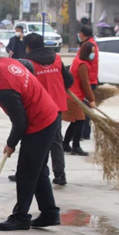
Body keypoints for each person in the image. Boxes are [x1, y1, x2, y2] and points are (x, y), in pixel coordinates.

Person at [0, 57, 60, 231]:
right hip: (49, 114)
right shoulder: (4, 62)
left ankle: (21, 217)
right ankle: (49, 213)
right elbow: (27, 65)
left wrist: (11, 144)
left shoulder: (5, 91)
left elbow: (20, 123)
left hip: (40, 123)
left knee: (25, 172)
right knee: (37, 170)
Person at [23, 33, 74, 186]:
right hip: (57, 105)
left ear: (28, 47)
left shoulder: (28, 62)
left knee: (34, 139)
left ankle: (33, 171)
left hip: (38, 106)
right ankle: (60, 174)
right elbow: (69, 80)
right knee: (56, 140)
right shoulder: (57, 58)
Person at [63, 41, 96, 156]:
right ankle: (75, 146)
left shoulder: (77, 61)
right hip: (74, 97)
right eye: (92, 53)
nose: (94, 55)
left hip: (74, 95)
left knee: (75, 122)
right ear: (87, 52)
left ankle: (66, 144)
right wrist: (92, 100)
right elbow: (85, 84)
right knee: (80, 121)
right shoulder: (82, 65)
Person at [78, 26, 99, 140]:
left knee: (84, 109)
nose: (79, 35)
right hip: (90, 79)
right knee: (85, 109)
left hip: (88, 80)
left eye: (79, 33)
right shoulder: (90, 44)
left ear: (82, 33)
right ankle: (85, 132)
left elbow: (86, 61)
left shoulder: (89, 46)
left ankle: (82, 133)